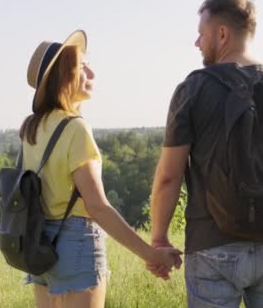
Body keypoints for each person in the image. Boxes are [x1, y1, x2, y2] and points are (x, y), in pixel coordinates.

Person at [148, 0, 263, 307]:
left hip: (212, 245)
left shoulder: (193, 89)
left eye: (201, 32)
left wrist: (158, 239)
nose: (197, 42)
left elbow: (169, 176)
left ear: (222, 34)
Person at [21, 30, 181, 308]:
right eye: (83, 67)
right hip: (76, 245)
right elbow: (98, 207)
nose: (92, 73)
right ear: (65, 75)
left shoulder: (33, 128)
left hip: (40, 244)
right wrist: (150, 255)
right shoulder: (75, 129)